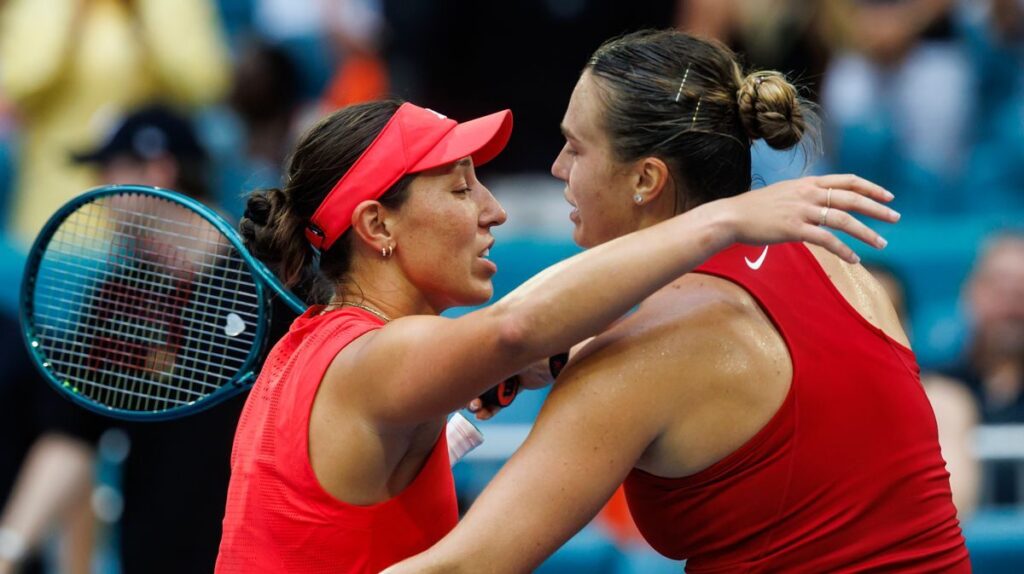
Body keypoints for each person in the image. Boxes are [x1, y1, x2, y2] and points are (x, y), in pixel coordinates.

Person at [213, 97, 896, 573]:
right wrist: (725, 220)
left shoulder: (318, 351)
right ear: (376, 227)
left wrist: (516, 369)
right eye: (459, 190)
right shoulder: (372, 360)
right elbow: (516, 327)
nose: (495, 211)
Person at [385, 30, 967, 573]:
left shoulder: (642, 358)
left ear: (646, 180)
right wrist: (570, 355)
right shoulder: (837, 265)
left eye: (575, 148)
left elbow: (464, 565)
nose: (558, 168)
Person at [0, 105, 248, 574]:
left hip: (250, 556)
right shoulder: (116, 297)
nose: (99, 194)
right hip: (153, 552)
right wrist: (9, 549)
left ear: (157, 170)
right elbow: (72, 436)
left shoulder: (271, 284)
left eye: (109, 173)